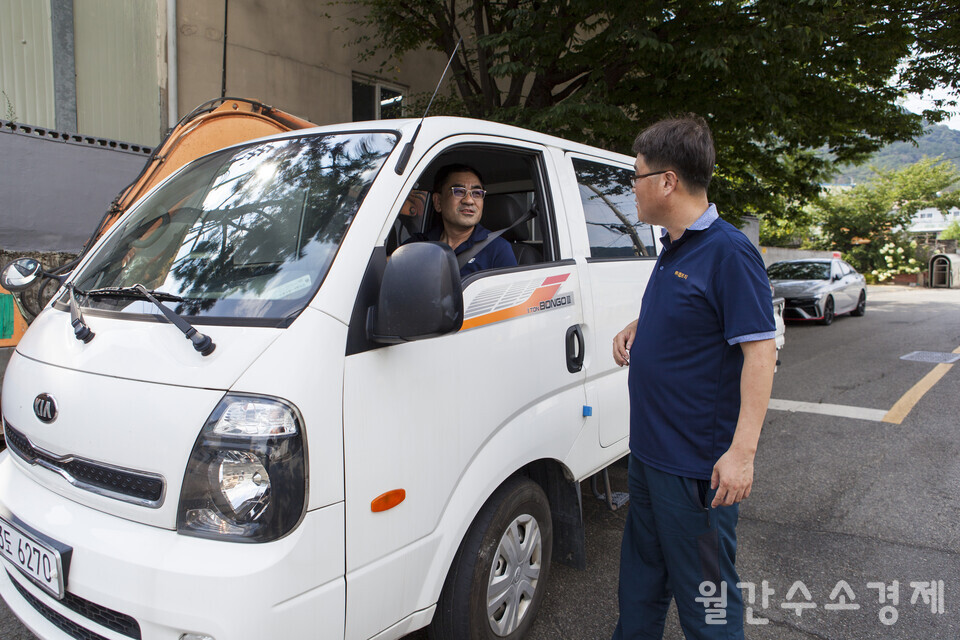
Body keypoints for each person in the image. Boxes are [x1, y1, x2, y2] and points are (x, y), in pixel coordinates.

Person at [610, 115, 777, 639]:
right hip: (649, 455)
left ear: (667, 181)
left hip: (694, 470)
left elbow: (760, 353)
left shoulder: (729, 251)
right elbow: (696, 311)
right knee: (639, 588)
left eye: (637, 176)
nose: (632, 188)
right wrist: (642, 324)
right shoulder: (676, 245)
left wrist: (742, 455)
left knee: (708, 605)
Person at [412, 163, 517, 276]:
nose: (469, 200)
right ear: (438, 202)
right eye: (458, 191)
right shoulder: (418, 245)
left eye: (477, 193)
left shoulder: (497, 249)